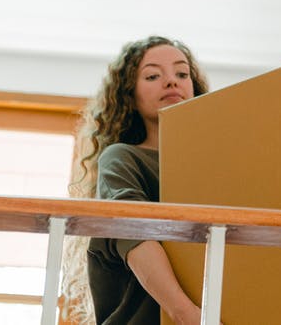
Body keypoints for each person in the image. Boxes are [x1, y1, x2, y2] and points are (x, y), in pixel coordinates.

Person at [76, 35, 212, 325]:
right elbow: (134, 232)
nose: (171, 81)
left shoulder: (215, 166)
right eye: (152, 75)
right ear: (130, 95)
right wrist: (187, 315)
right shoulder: (121, 158)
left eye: (182, 74)